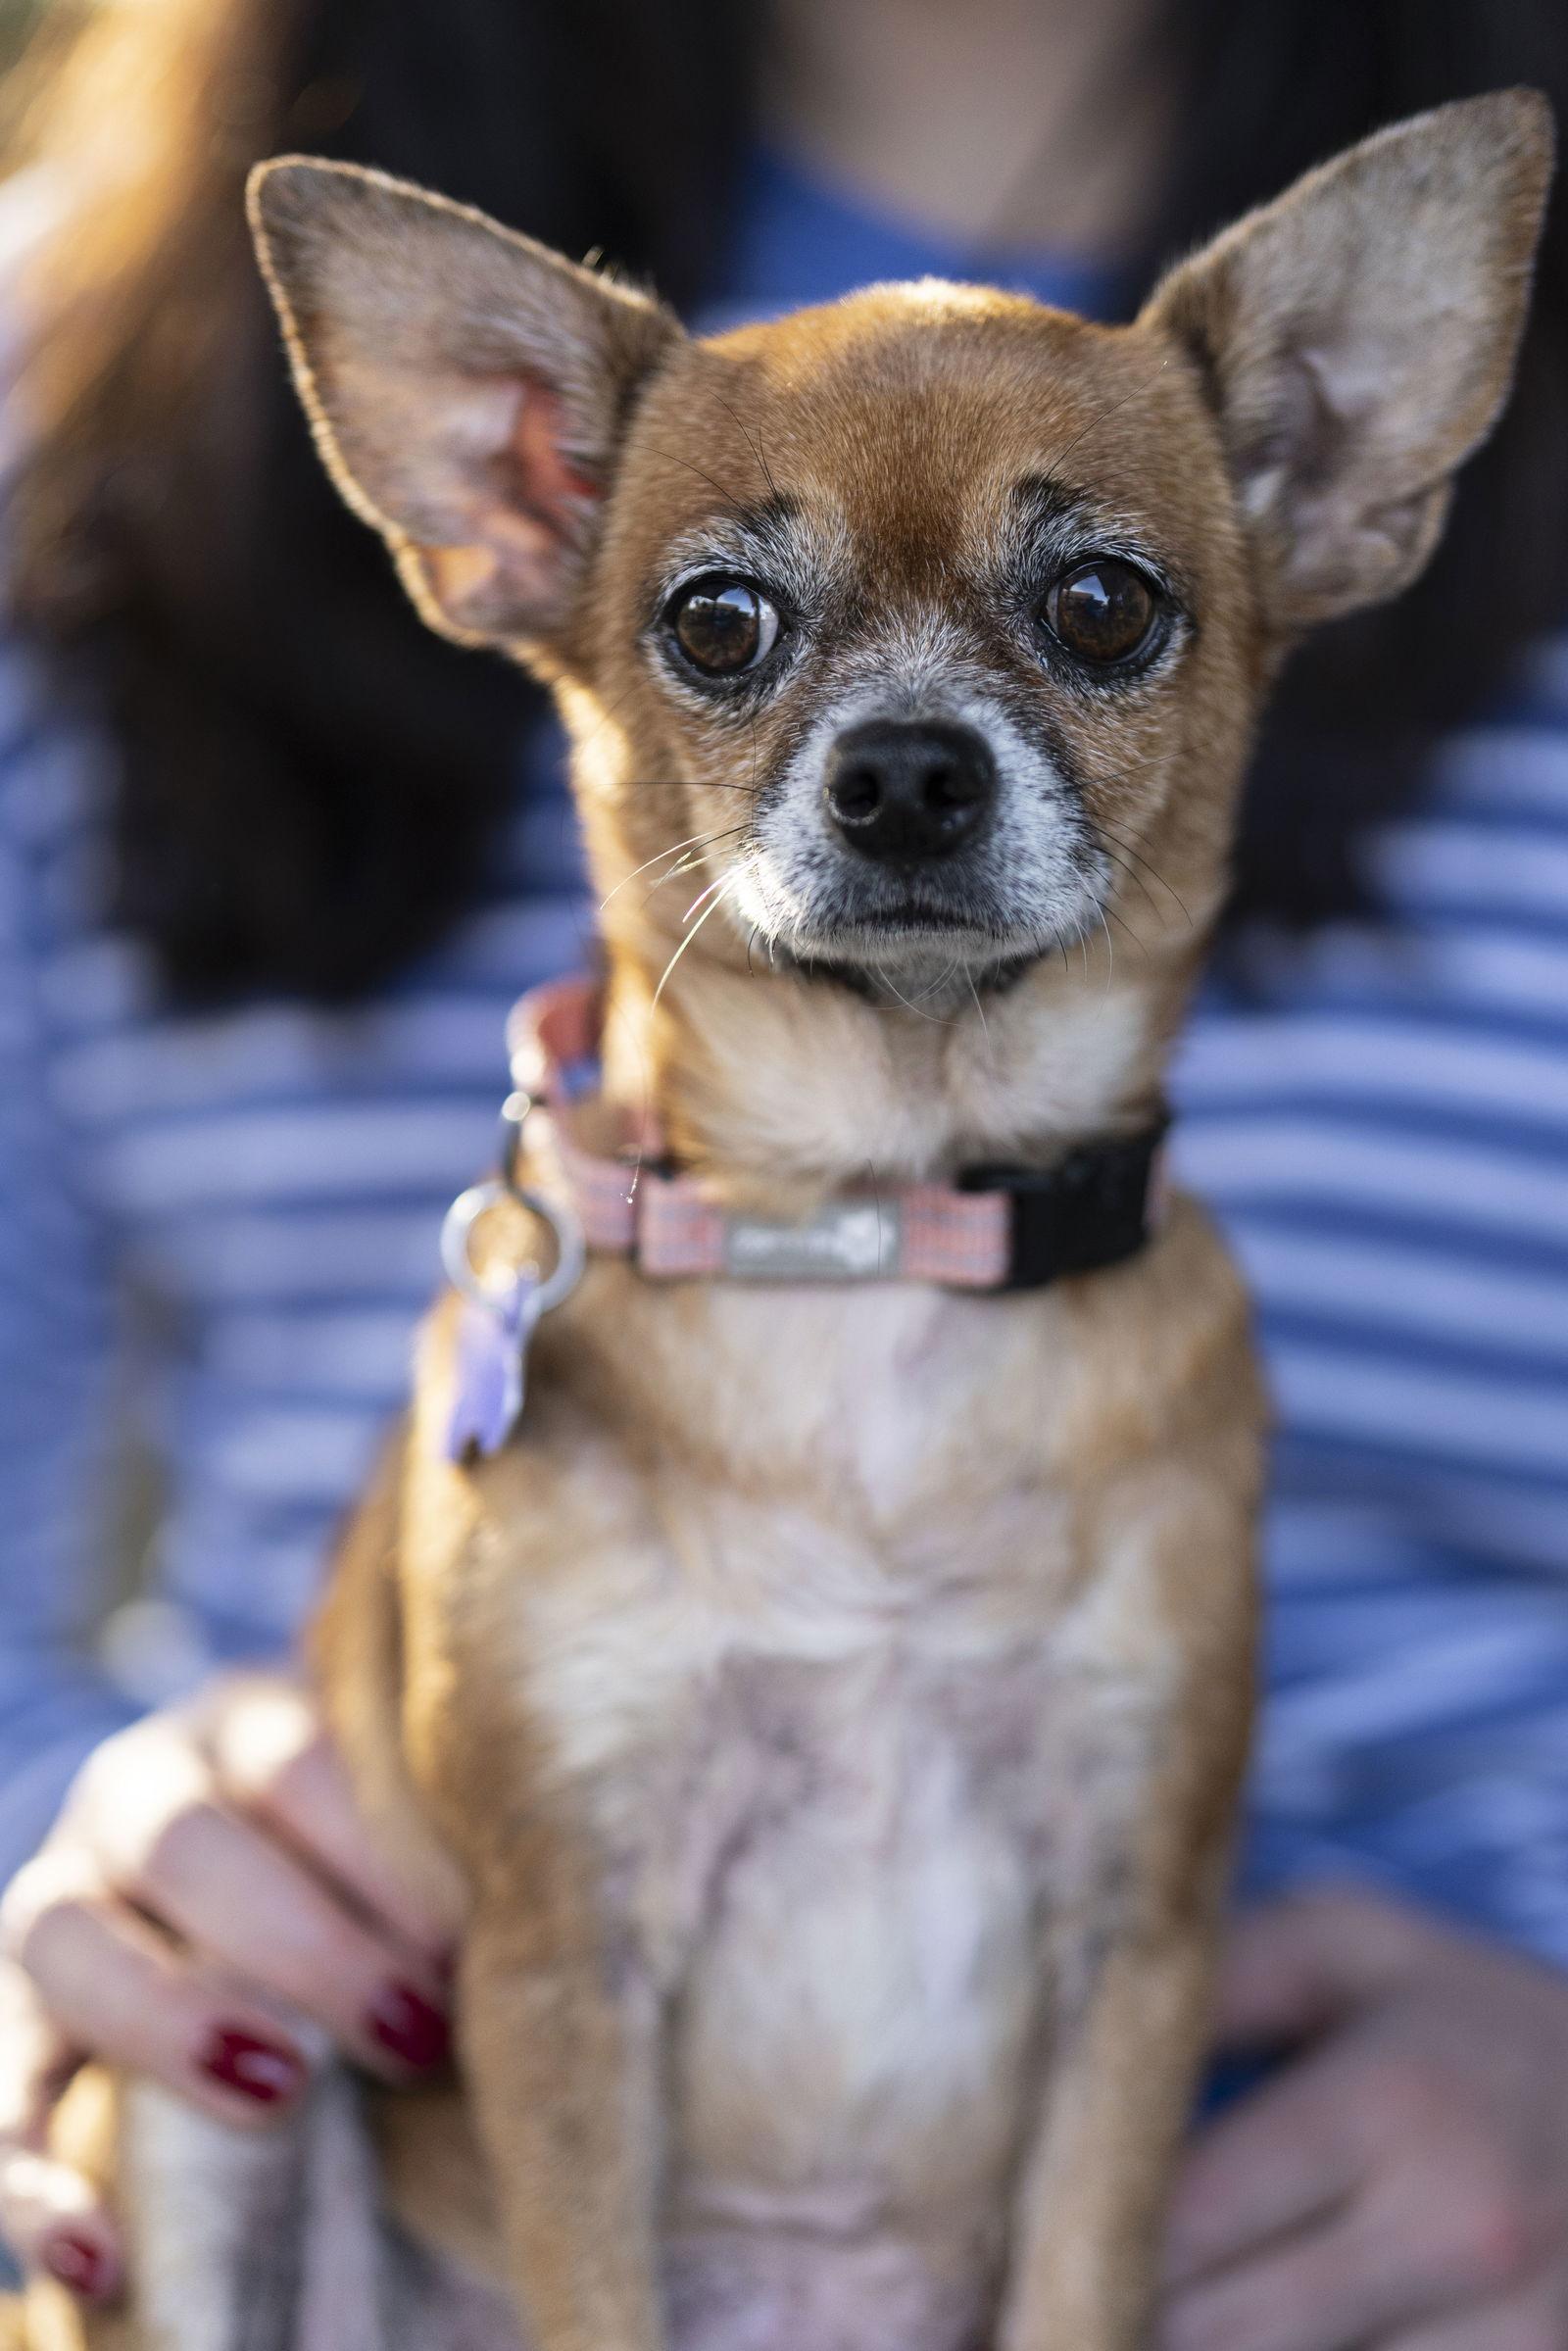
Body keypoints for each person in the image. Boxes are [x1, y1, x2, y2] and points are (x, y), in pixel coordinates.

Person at [1, 0, 1566, 2338]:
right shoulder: (69, 385)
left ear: (1318, 488)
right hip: (397, 2190)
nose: (907, 756)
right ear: (504, 500)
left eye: (1088, 613)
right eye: (731, 629)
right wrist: (76, 1867)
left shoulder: (1254, 396)